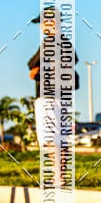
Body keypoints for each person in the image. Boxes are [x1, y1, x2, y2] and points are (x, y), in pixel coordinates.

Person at [28, 8, 79, 147]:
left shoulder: (50, 42)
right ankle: (60, 169)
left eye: (42, 22)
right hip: (63, 95)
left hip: (48, 96)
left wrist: (37, 70)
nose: (40, 26)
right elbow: (74, 59)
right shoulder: (65, 42)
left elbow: (32, 64)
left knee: (50, 141)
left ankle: (56, 169)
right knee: (60, 140)